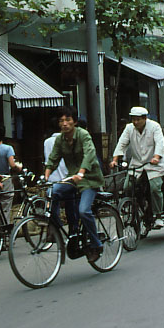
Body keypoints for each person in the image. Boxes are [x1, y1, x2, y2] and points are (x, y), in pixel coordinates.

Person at [44, 107, 105, 263]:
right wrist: (46, 174)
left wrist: (82, 172)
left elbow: (90, 154)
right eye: (61, 121)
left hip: (89, 178)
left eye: (68, 120)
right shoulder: (60, 139)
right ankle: (58, 230)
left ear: (74, 122)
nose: (64, 124)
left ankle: (96, 243)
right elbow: (53, 158)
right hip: (72, 178)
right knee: (53, 192)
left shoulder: (83, 135)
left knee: (83, 211)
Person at [111, 106, 164, 229]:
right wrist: (115, 159)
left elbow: (160, 143)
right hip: (137, 164)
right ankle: (140, 209)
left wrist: (156, 156)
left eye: (138, 120)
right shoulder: (129, 128)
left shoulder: (154, 127)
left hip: (154, 165)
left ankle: (158, 216)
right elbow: (122, 143)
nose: (135, 122)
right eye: (133, 120)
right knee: (128, 187)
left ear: (145, 118)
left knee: (154, 187)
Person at [0, 124, 22, 220]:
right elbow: (12, 165)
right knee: (5, 205)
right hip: (5, 180)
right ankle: (4, 228)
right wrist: (19, 167)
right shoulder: (8, 148)